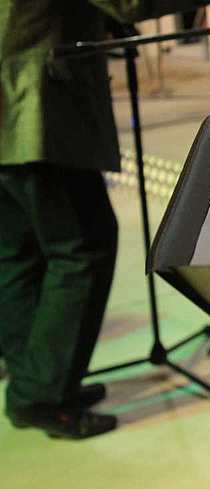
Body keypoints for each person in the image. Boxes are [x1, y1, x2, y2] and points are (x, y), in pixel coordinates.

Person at [0, 0, 143, 439]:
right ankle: (43, 396)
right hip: (38, 107)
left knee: (19, 252)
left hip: (9, 106)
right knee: (83, 247)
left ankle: (35, 380)